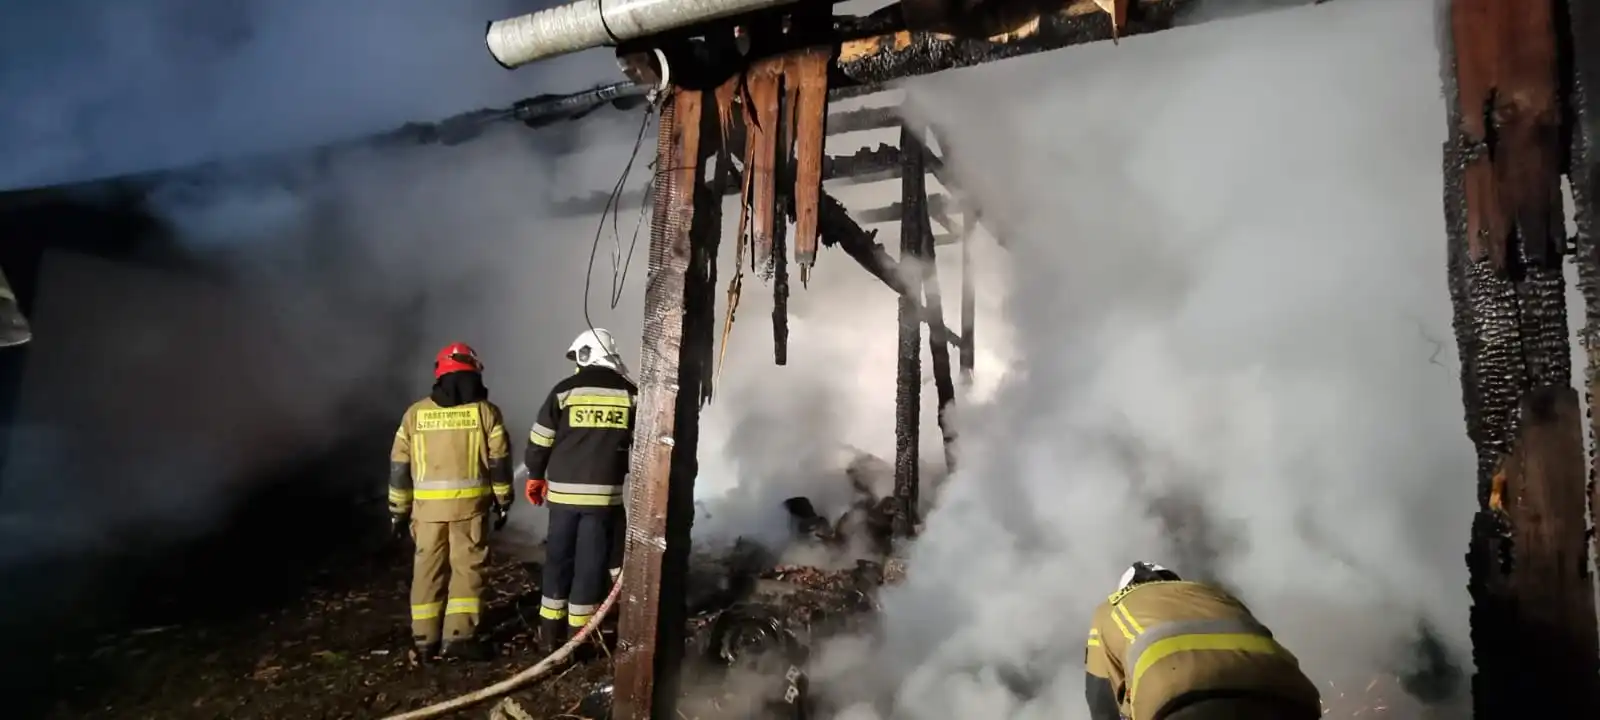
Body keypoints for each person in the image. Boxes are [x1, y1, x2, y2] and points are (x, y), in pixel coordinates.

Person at [388, 342, 515, 661]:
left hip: (426, 515)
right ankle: (458, 637)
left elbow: (399, 469)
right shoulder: (486, 413)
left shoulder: (415, 415)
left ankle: (424, 639)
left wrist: (398, 513)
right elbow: (499, 462)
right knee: (467, 571)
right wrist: (503, 501)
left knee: (427, 572)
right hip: (469, 513)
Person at [1085, 562, 1322, 720]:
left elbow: (1101, 700)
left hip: (1182, 705)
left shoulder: (1111, 608)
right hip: (1291, 697)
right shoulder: (1216, 595)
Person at [524, 328, 637, 653]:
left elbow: (541, 439)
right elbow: (641, 442)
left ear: (586, 355)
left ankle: (548, 636)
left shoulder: (564, 391)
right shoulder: (630, 393)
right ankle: (580, 638)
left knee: (558, 561)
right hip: (603, 498)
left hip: (561, 497)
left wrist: (535, 475)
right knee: (590, 564)